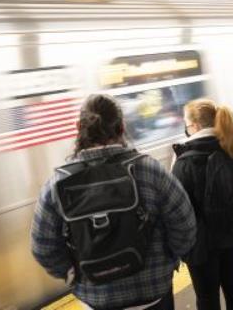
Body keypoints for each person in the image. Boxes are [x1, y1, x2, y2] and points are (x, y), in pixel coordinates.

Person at [31, 94, 197, 310]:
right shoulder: (152, 171)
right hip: (153, 295)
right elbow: (186, 226)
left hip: (96, 301)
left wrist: (72, 273)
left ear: (78, 127)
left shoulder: (58, 184)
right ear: (121, 128)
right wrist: (168, 260)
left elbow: (42, 247)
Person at [172, 99, 233, 310]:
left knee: (206, 296)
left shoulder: (184, 163)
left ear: (194, 126)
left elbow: (176, 211)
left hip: (201, 245)